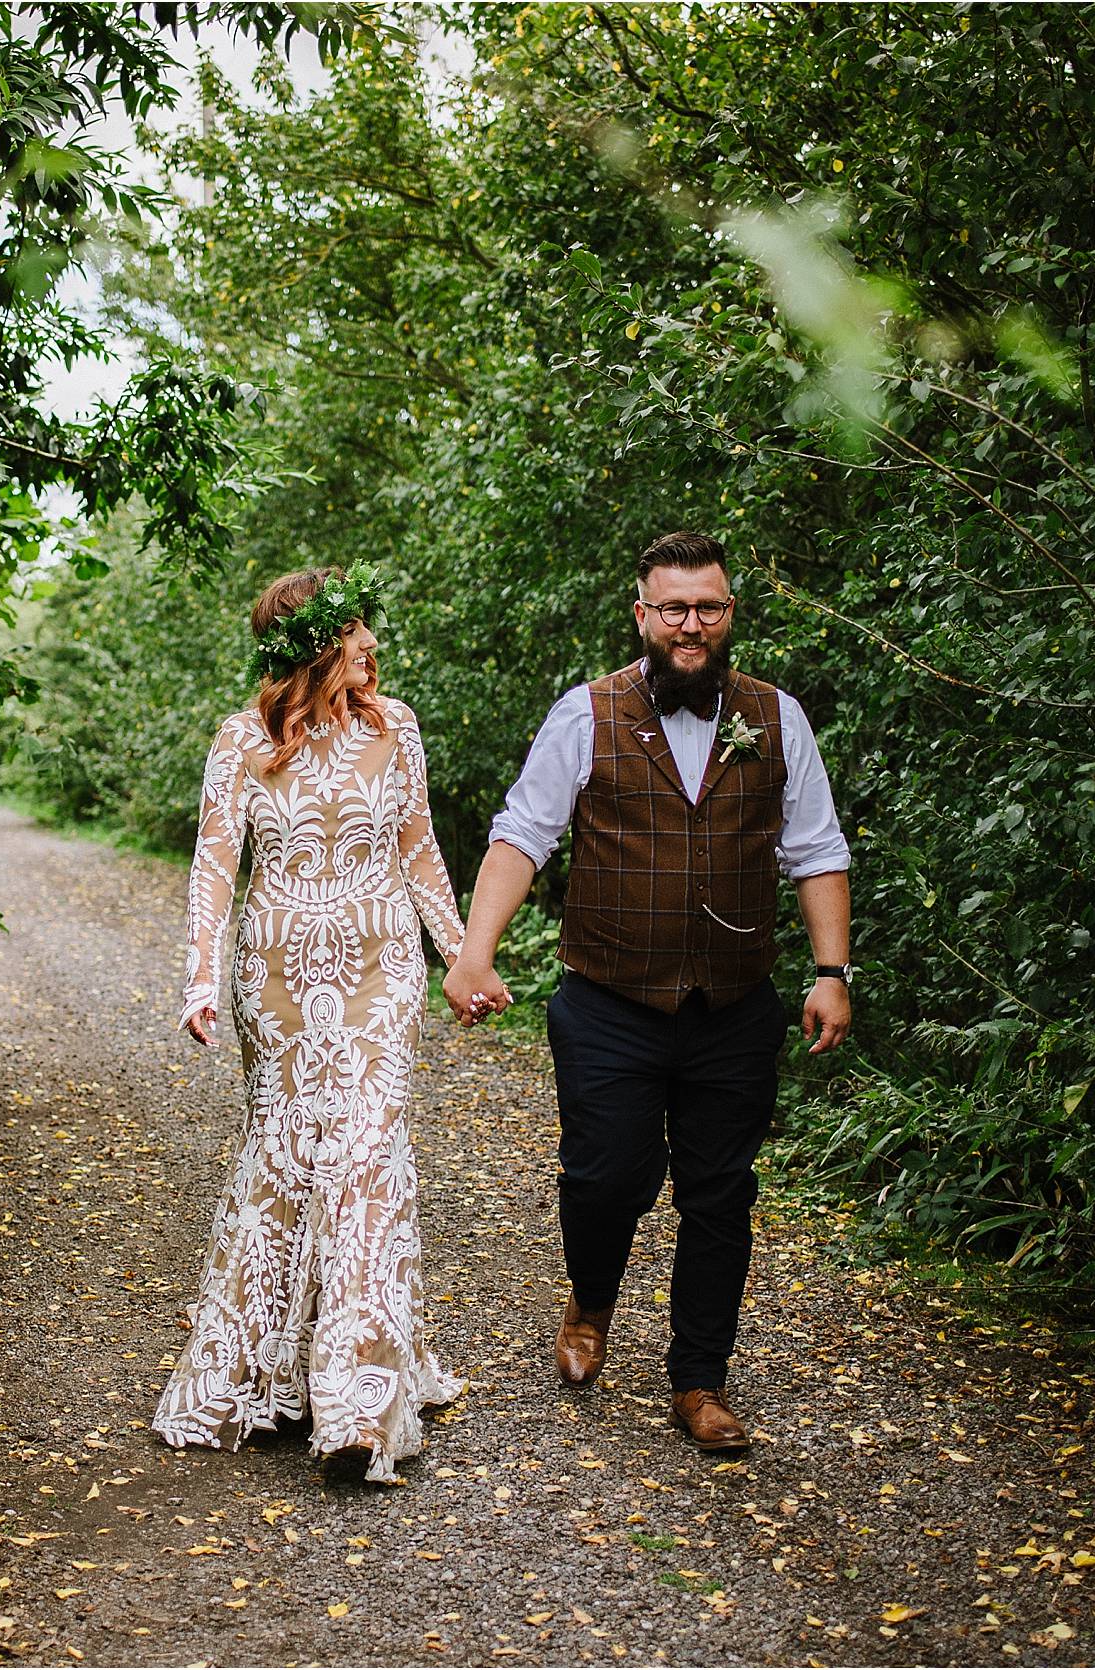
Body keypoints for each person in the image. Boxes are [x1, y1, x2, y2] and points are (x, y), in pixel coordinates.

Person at [442, 530, 853, 1451]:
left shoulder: (778, 718)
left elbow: (817, 851)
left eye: (708, 607)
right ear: (643, 616)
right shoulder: (586, 715)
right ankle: (590, 1302)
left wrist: (832, 974)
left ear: (729, 613)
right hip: (609, 1003)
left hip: (734, 1008)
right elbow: (523, 834)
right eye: (674, 608)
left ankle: (701, 1379)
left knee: (721, 1192)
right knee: (606, 1176)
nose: (691, 625)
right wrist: (475, 952)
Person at [152, 563, 467, 1483]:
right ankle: (268, 1373)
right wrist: (199, 976)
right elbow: (216, 865)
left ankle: (360, 1407)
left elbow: (420, 853)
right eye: (355, 630)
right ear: (313, 647)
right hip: (278, 981)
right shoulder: (241, 740)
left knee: (368, 1156)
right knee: (289, 1160)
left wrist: (460, 958)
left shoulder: (396, 727)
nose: (371, 644)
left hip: (381, 973)